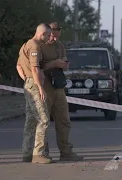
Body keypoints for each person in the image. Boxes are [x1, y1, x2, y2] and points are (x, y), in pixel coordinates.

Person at [40, 22, 83, 161]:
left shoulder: (60, 46)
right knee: (43, 121)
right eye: (52, 36)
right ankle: (42, 153)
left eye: (57, 37)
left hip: (58, 87)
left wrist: (64, 64)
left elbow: (64, 63)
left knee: (64, 120)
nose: (54, 39)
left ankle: (66, 152)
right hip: (44, 88)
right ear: (47, 33)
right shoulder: (39, 46)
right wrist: (54, 64)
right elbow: (35, 69)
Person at [16, 23, 52, 164]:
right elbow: (35, 69)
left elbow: (18, 66)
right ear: (41, 33)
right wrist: (39, 87)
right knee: (43, 119)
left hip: (29, 84)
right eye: (48, 35)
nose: (49, 37)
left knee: (30, 121)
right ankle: (39, 154)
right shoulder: (35, 46)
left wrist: (26, 79)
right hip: (35, 85)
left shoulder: (25, 45)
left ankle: (26, 153)